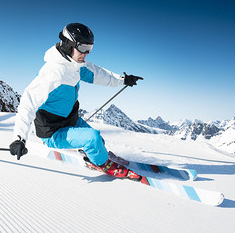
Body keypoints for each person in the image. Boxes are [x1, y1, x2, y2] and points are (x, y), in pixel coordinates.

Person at [9, 23, 143, 179]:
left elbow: (98, 74)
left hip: (71, 120)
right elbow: (27, 104)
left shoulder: (76, 65)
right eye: (83, 48)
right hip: (53, 131)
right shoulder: (53, 74)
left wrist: (123, 79)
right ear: (68, 44)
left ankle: (98, 153)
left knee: (98, 140)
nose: (86, 54)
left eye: (90, 49)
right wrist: (19, 139)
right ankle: (101, 163)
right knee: (92, 138)